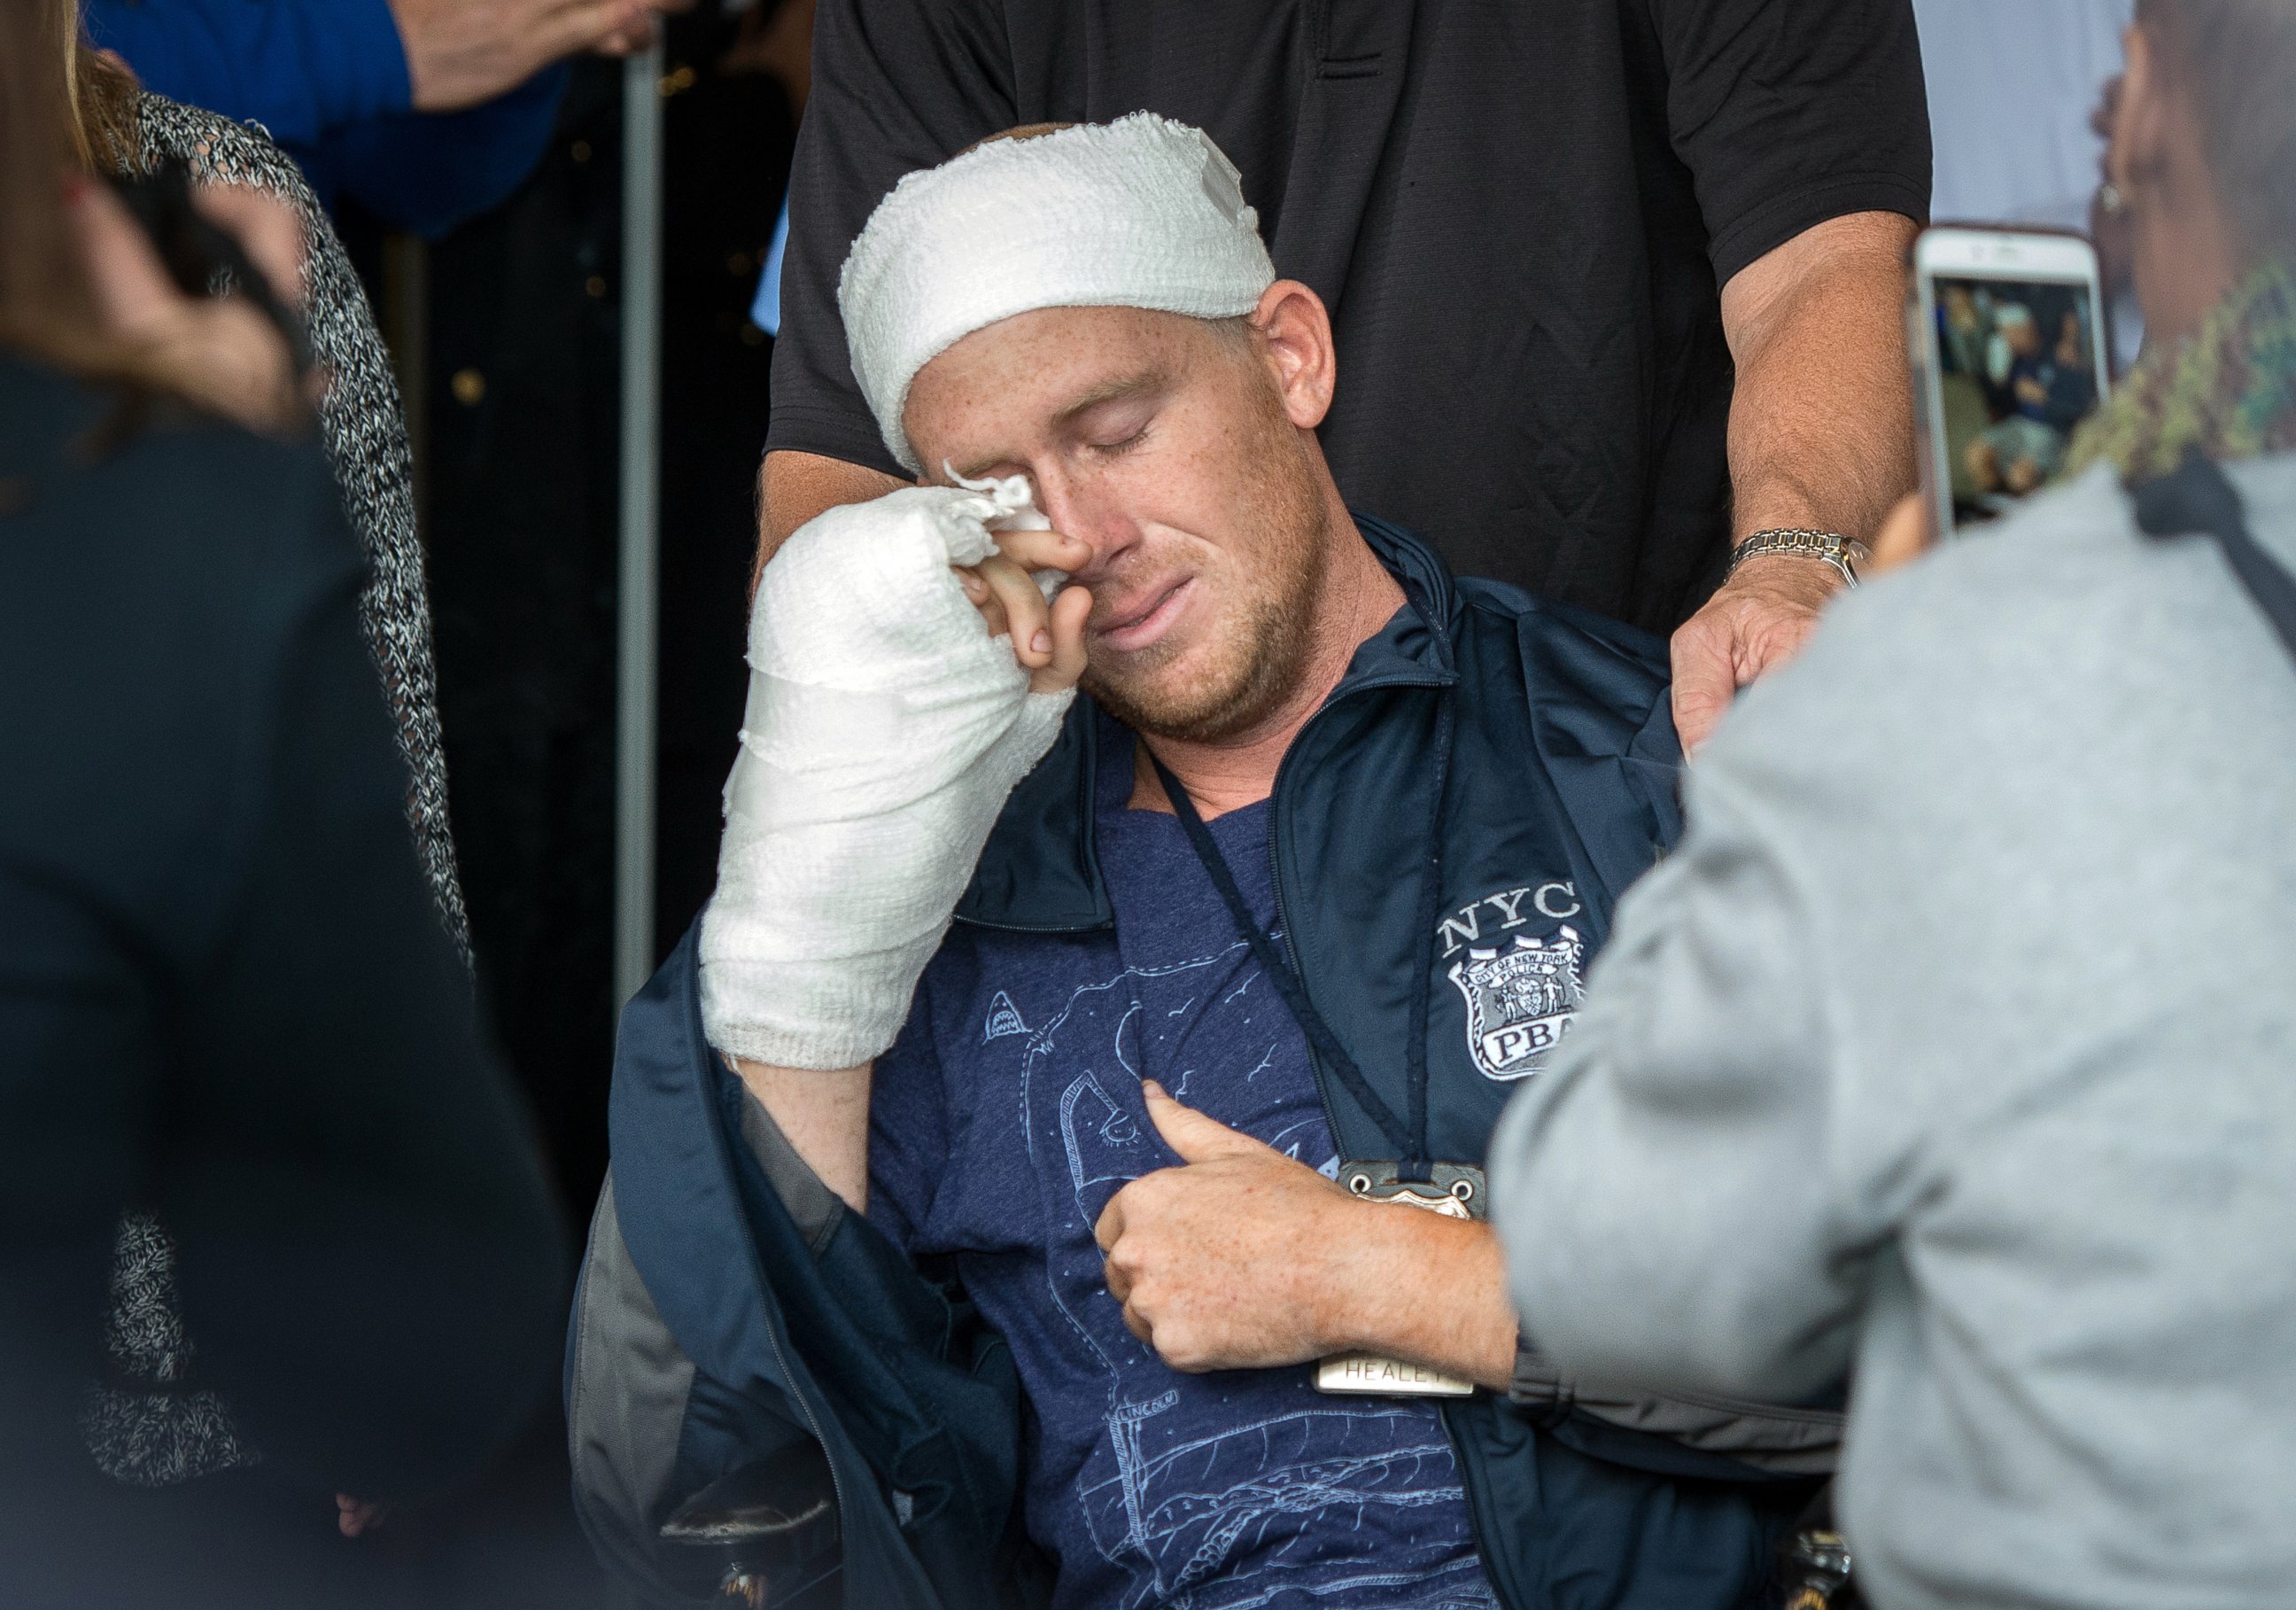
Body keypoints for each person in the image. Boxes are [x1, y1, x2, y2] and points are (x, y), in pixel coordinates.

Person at [570, 118, 1836, 1610]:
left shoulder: (1638, 763)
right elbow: (707, 1528)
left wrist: (1370, 1277)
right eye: (1002, 496)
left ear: (1289, 354)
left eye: (1115, 433)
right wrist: (809, 947)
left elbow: (1966, 1334)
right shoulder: (928, 896)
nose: (1085, 536)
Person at [1489, 1, 2296, 1605]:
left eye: (2128, 55)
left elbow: (1614, 1259)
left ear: (2148, 121)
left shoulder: (1974, 672)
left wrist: (1864, 695)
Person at [0, 4, 567, 1602]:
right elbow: (415, 1327)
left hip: (185, 1380)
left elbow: (381, 766)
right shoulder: (202, 276)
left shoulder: (203, 195)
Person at [756, 0, 1934, 754]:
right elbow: (852, 450)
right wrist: (850, 798)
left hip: (1618, 740)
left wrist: (1795, 564)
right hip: (1133, 813)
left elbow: (1820, 266)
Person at [83, 0, 671, 237]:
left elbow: (407, 185)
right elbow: (51, 76)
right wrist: (383, 47)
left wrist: (538, 32)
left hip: (276, 396)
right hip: (76, 398)